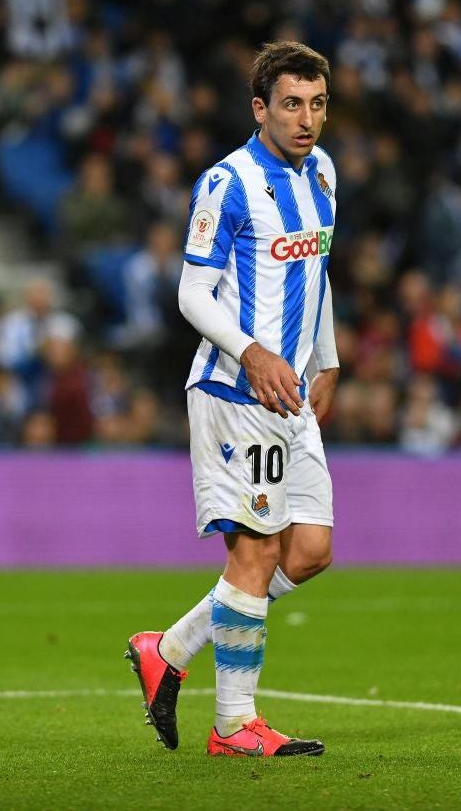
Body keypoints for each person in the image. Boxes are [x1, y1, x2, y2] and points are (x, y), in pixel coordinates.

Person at [127, 41, 340, 757]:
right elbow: (191, 291)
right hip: (237, 390)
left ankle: (170, 647)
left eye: (316, 104)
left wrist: (328, 357)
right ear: (260, 108)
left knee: (309, 550)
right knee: (256, 553)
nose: (305, 118)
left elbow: (318, 269)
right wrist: (252, 352)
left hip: (293, 394)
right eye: (291, 103)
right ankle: (233, 725)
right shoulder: (228, 183)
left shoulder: (325, 175)